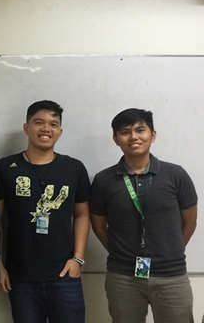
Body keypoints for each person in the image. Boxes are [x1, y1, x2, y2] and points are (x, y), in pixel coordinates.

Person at [90, 108, 198, 323]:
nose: (134, 137)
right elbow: (99, 225)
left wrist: (170, 251)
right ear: (116, 139)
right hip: (123, 276)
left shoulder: (176, 174)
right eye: (125, 132)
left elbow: (190, 222)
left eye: (140, 130)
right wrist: (121, 252)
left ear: (153, 135)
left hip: (171, 274)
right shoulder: (104, 180)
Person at [0, 100, 90, 323]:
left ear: (60, 131)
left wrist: (78, 258)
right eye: (39, 122)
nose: (46, 129)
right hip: (20, 277)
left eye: (53, 124)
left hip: (65, 274)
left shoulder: (74, 168)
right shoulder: (5, 167)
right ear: (26, 127)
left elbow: (83, 215)